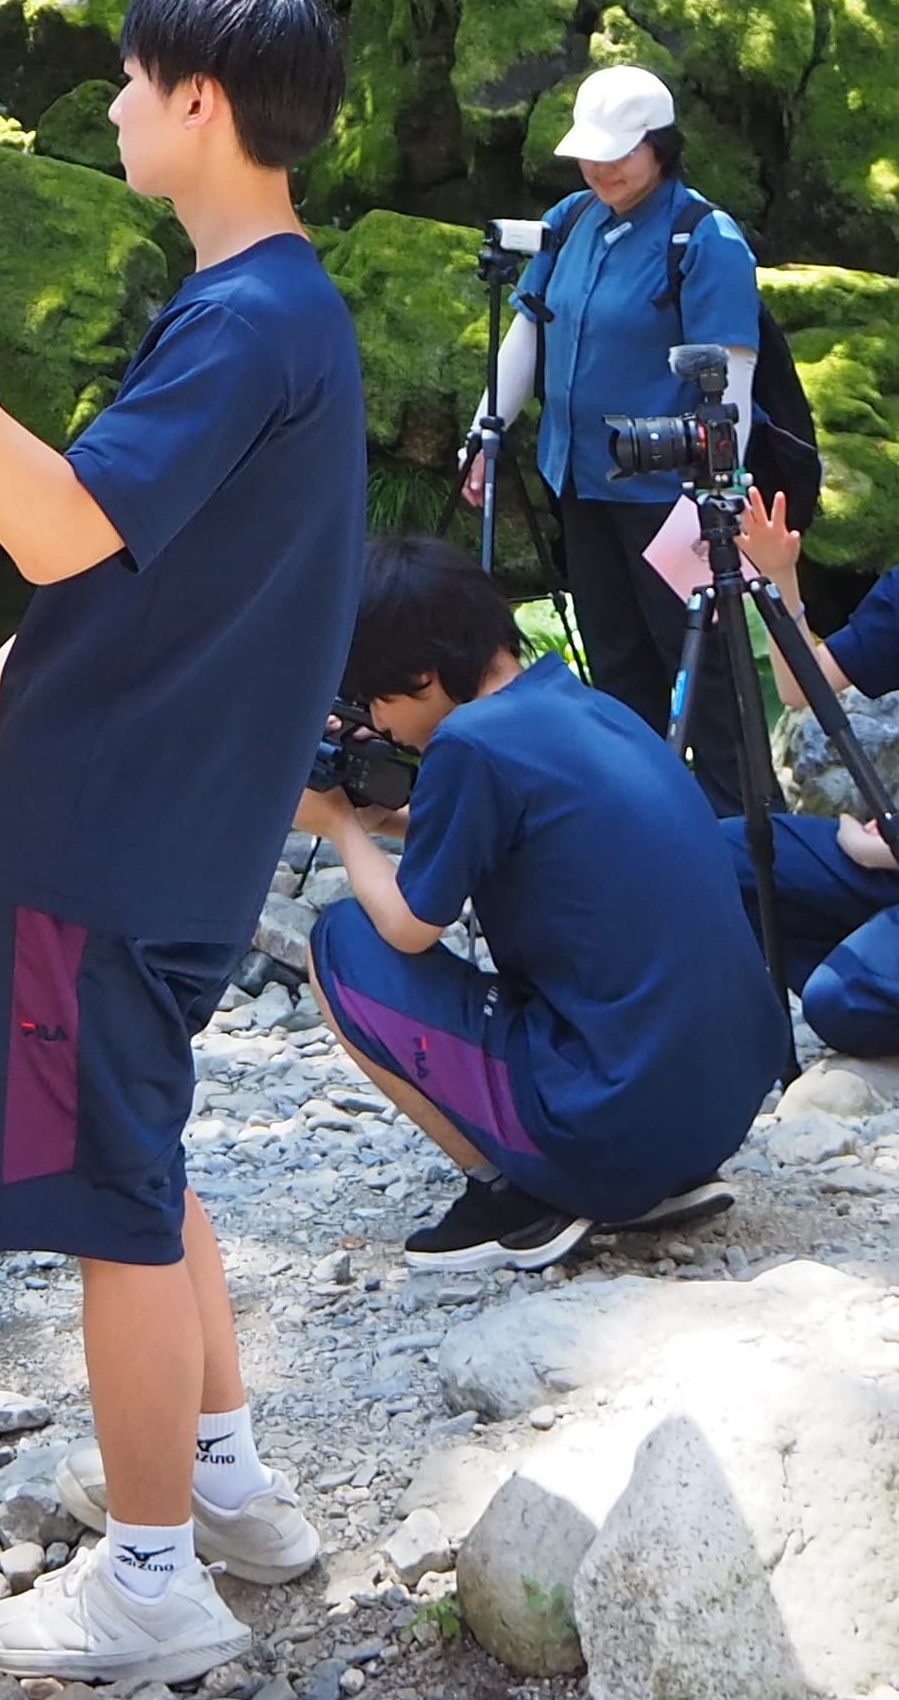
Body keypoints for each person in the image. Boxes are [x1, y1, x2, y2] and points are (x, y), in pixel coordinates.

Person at [0, 0, 360, 1684]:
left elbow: (51, 530)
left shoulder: (241, 324)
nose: (117, 106)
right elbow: (126, 582)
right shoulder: (284, 311)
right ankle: (224, 1484)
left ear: (201, 103)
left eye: (134, 82)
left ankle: (147, 1580)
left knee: (109, 1196)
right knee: (146, 1147)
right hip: (171, 823)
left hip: (107, 841)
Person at [296, 536, 778, 1269]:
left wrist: (334, 825)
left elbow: (407, 927)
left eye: (371, 696)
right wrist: (373, 816)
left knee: (338, 942)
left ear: (423, 673)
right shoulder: (581, 706)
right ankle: (646, 1180)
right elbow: (500, 827)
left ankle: (512, 1196)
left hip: (613, 1123)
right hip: (717, 1112)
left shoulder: (469, 744)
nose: (373, 719)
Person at [457, 65, 764, 812]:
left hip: (667, 497)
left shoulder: (703, 236)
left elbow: (734, 382)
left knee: (706, 677)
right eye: (589, 154)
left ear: (659, 146)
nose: (600, 169)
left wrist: (713, 496)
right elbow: (528, 329)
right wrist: (484, 430)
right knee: (617, 664)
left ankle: (749, 839)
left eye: (618, 154)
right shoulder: (570, 217)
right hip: (581, 481)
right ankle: (636, 818)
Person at [725, 424, 899, 1065]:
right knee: (725, 853)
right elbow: (804, 690)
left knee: (838, 1002)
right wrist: (780, 579)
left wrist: (885, 851)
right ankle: (897, 964)